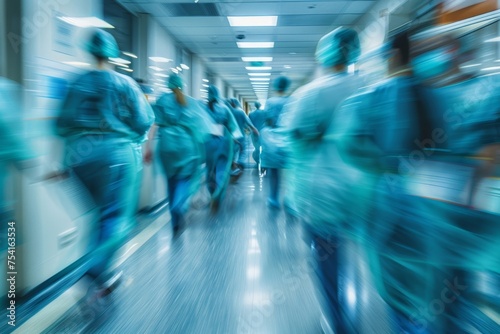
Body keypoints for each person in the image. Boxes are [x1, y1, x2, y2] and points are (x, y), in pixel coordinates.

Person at [337, 31, 442, 333]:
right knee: (428, 284)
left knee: (396, 284)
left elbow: (348, 144)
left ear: (392, 56)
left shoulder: (372, 98)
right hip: (435, 201)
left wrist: (381, 166)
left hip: (391, 200)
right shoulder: (434, 93)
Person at [56, 29, 154, 302]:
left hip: (80, 158)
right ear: (111, 53)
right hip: (116, 156)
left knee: (98, 217)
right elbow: (144, 120)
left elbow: (62, 125)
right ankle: (94, 270)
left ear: (90, 51)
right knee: (115, 218)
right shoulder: (125, 84)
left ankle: (106, 273)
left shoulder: (77, 83)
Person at [410, 33, 500, 333]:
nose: (422, 59)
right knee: (436, 292)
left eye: (429, 50)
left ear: (452, 50)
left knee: (456, 287)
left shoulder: (488, 90)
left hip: (469, 211)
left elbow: (490, 152)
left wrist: (470, 195)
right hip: (425, 215)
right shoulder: (416, 95)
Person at [282, 27, 363, 333]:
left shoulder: (310, 95)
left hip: (322, 194)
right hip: (363, 191)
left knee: (327, 260)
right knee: (363, 252)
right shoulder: (371, 86)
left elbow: (295, 139)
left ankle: (338, 319)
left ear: (324, 54)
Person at [144, 74, 210, 234]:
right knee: (184, 180)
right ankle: (179, 206)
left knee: (171, 181)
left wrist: (148, 148)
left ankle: (174, 219)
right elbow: (203, 127)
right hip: (186, 145)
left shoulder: (161, 101)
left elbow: (153, 125)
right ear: (182, 85)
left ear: (168, 85)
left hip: (166, 145)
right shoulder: (190, 102)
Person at [204, 86, 241, 212]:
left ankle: (211, 193)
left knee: (209, 171)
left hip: (208, 143)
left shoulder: (203, 109)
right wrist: (234, 138)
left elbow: (197, 126)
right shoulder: (224, 109)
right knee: (222, 171)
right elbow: (233, 127)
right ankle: (217, 196)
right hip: (224, 143)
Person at [260, 76, 292, 209]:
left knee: (273, 171)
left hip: (272, 138)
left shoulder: (270, 102)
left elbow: (267, 119)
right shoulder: (291, 101)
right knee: (290, 172)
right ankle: (290, 200)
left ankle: (273, 198)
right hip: (287, 138)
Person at [228, 98, 259, 176]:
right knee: (243, 150)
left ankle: (233, 166)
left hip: (231, 136)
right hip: (240, 135)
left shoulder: (229, 111)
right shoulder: (240, 111)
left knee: (232, 152)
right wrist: (254, 129)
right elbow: (247, 121)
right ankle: (239, 164)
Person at [249, 101, 266, 171]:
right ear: (260, 105)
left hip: (254, 133)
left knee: (257, 148)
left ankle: (258, 161)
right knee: (264, 148)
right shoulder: (264, 113)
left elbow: (249, 123)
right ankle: (263, 162)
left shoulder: (251, 114)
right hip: (263, 133)